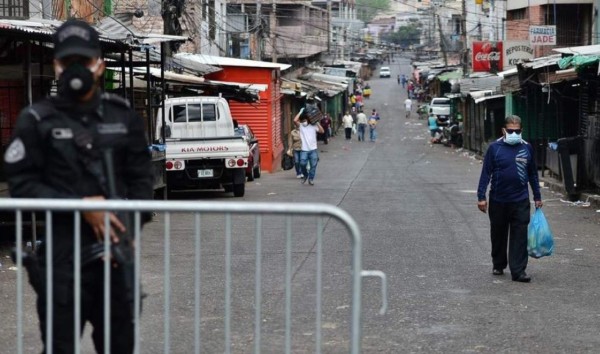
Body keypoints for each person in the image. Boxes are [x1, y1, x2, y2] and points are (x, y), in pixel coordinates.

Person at [4, 19, 153, 353]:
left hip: (115, 259)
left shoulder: (122, 116)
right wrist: (80, 205)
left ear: (99, 64)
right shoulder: (36, 119)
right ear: (56, 64)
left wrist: (123, 232)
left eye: (83, 62)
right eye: (67, 62)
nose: (76, 70)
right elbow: (21, 185)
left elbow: (143, 183)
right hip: (62, 258)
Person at [477, 115, 543, 283]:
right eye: (511, 130)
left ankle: (518, 270)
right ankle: (498, 264)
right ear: (504, 130)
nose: (514, 133)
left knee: (520, 235)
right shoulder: (495, 148)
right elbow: (486, 172)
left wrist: (537, 196)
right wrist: (481, 196)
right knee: (498, 233)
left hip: (520, 200)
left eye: (518, 130)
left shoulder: (527, 148)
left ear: (522, 130)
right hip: (498, 200)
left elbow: (533, 175)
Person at [294, 109, 324, 185]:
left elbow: (322, 131)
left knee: (313, 166)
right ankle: (305, 175)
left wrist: (317, 123)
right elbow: (295, 120)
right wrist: (300, 112)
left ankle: (311, 179)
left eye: (304, 120)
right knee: (302, 164)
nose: (303, 122)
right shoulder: (301, 126)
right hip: (304, 150)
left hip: (313, 149)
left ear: (307, 119)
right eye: (302, 120)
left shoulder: (313, 126)